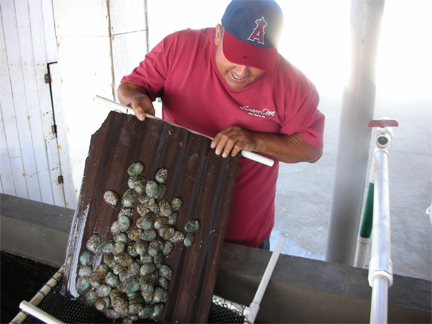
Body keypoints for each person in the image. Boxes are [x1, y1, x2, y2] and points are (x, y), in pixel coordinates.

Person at [118, 0, 325, 250]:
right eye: (236, 55)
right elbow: (130, 87)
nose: (242, 70)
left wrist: (254, 140)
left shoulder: (293, 86)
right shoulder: (179, 48)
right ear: (218, 34)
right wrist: (138, 100)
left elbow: (311, 148)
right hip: (171, 217)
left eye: (257, 61)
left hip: (243, 233)